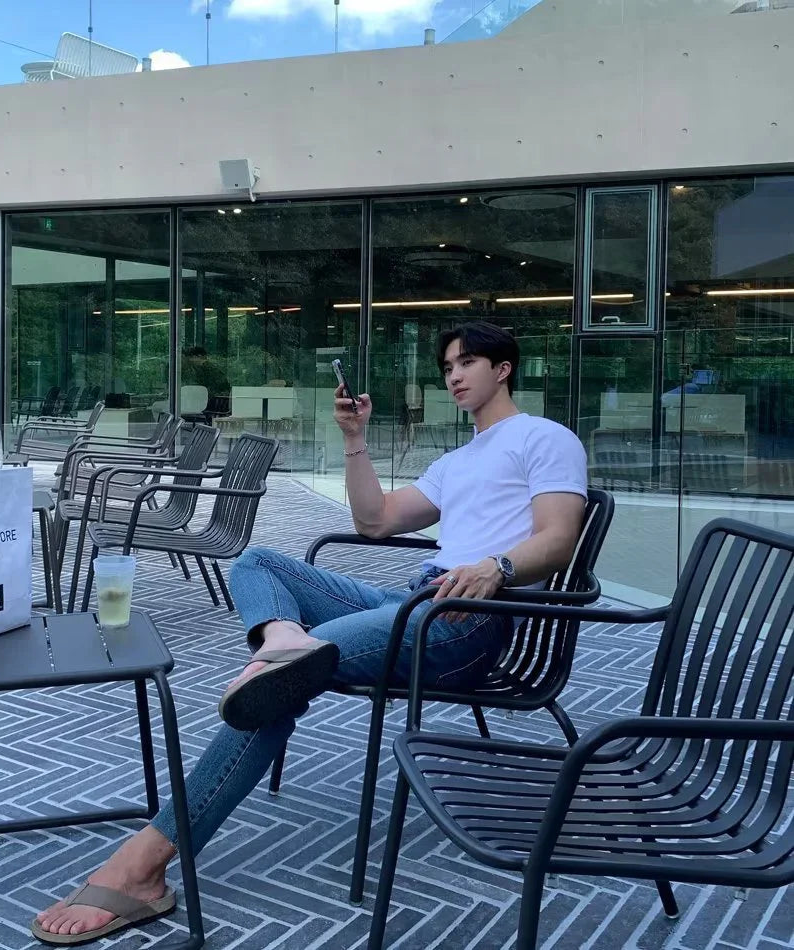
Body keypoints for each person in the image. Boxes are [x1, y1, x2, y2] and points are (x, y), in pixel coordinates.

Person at [31, 321, 588, 944]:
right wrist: (354, 439)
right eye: (447, 367)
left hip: (466, 622)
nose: (452, 376)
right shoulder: (458, 461)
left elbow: (558, 538)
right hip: (414, 601)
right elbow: (376, 520)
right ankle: (281, 642)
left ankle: (145, 861)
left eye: (466, 364)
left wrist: (497, 567)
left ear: (502, 368)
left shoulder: (544, 438)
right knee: (257, 563)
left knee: (282, 683)